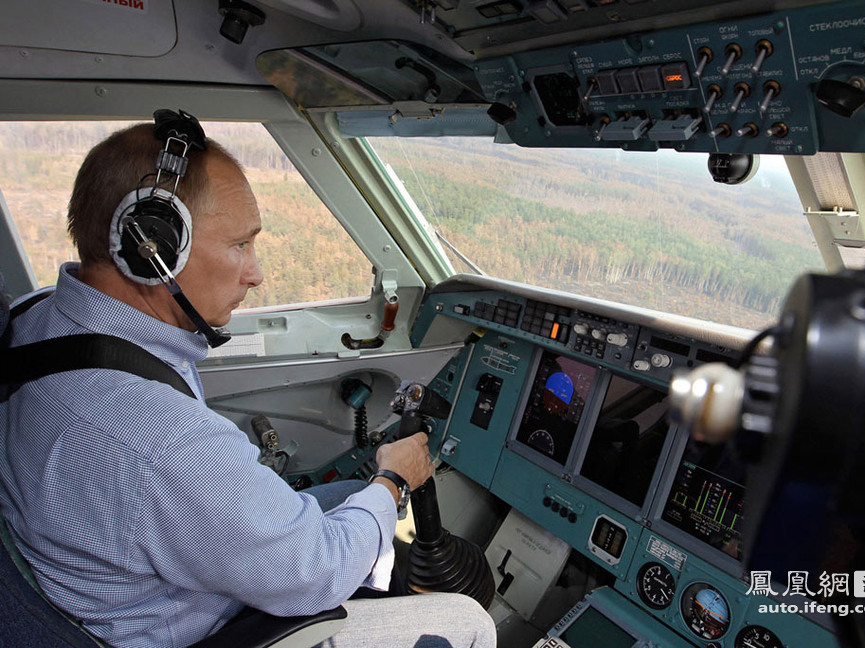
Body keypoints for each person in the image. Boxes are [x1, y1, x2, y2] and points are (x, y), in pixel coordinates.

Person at [0, 116, 497, 648]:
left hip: (98, 586)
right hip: (188, 628)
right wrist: (394, 480)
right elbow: (317, 571)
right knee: (469, 624)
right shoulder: (164, 441)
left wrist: (372, 492)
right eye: (240, 244)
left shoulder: (37, 318)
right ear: (152, 250)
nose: (255, 273)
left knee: (357, 495)